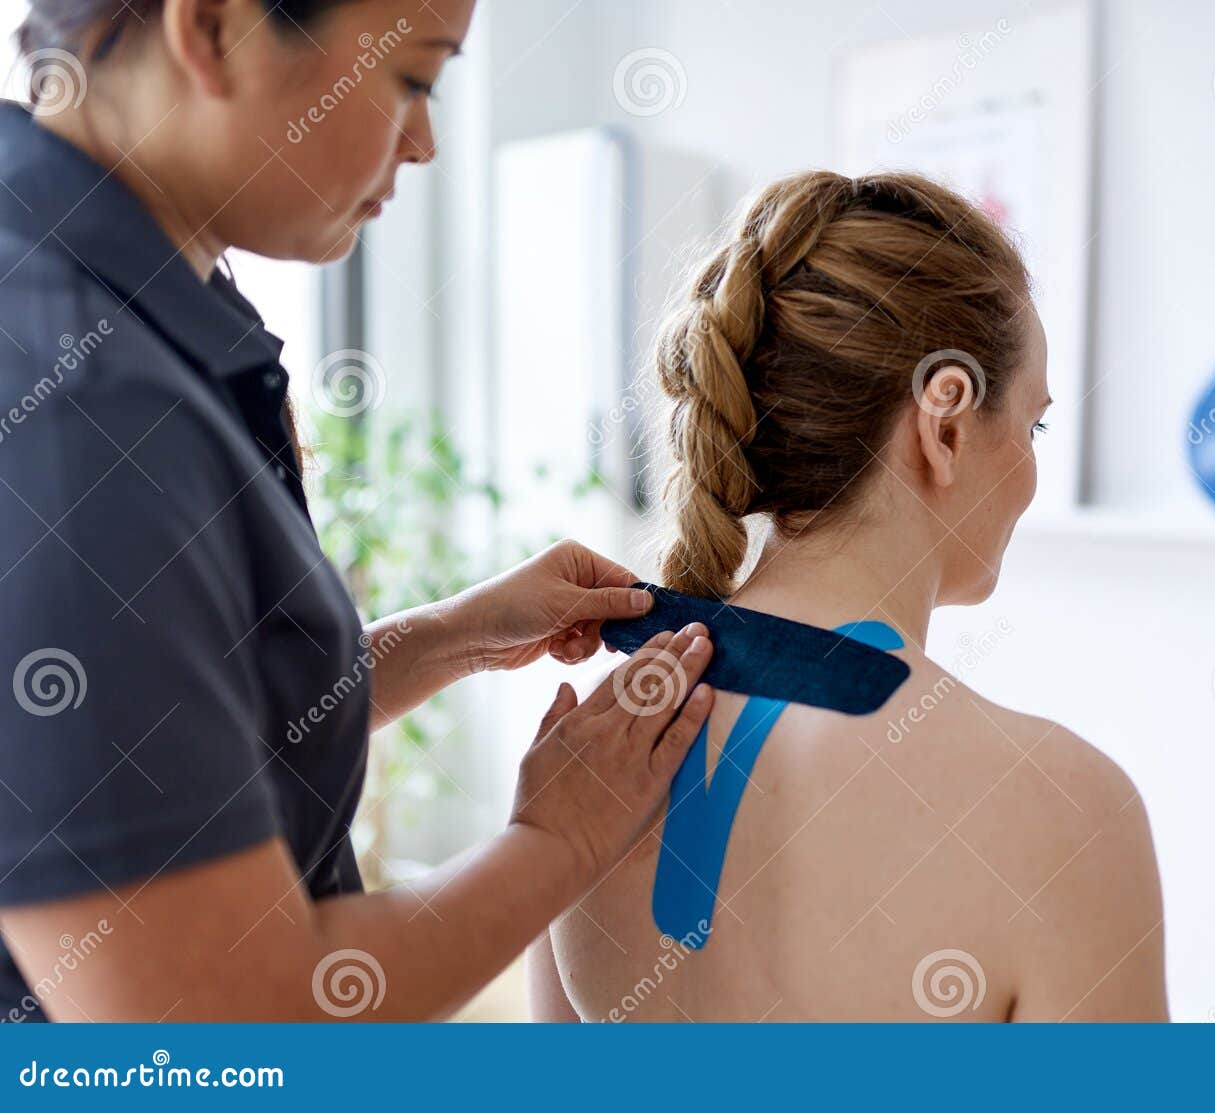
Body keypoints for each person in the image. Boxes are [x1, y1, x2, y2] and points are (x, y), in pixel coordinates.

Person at [0, 0, 714, 1022]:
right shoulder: (76, 410)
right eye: (414, 78)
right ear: (210, 29)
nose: (422, 144)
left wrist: (454, 637)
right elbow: (217, 1029)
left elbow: (165, 744)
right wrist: (561, 842)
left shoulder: (139, 316)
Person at [530, 171, 1169, 1022]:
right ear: (944, 426)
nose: (1031, 468)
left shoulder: (592, 760)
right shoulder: (1065, 814)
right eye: (1033, 424)